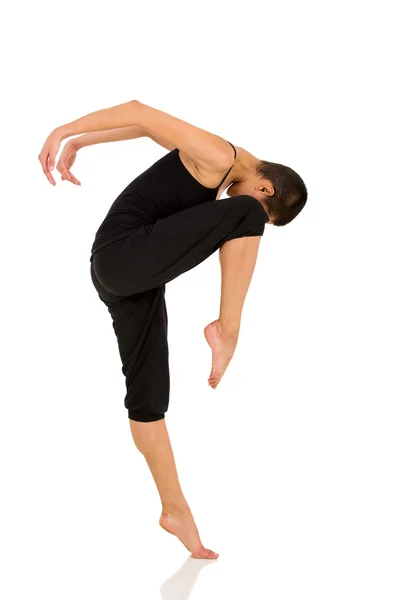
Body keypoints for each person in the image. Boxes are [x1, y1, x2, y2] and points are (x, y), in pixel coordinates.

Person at [38, 99, 307, 559]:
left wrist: (82, 141)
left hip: (131, 279)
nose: (256, 228)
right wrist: (63, 130)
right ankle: (228, 329)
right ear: (264, 186)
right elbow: (140, 111)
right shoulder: (220, 156)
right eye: (266, 212)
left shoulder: (217, 165)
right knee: (243, 215)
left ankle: (175, 510)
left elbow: (145, 131)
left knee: (149, 402)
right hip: (122, 254)